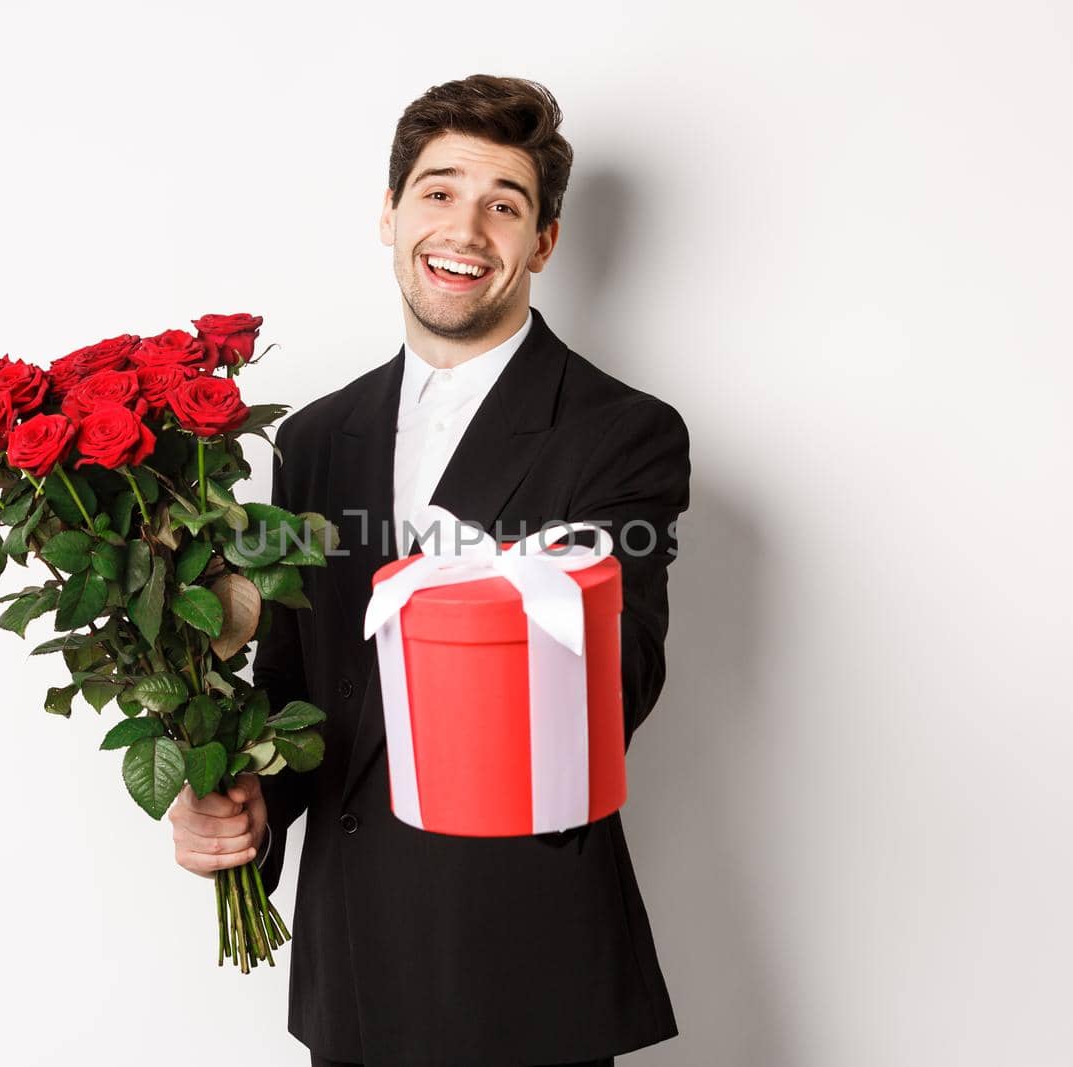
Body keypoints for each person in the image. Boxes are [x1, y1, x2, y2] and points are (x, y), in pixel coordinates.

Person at [169, 73, 690, 1067]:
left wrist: (483, 585)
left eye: (505, 203)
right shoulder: (315, 437)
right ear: (390, 212)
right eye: (439, 191)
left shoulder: (621, 434)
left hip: (522, 958)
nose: (466, 227)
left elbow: (618, 680)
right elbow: (295, 688)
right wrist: (237, 802)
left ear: (542, 242)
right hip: (353, 968)